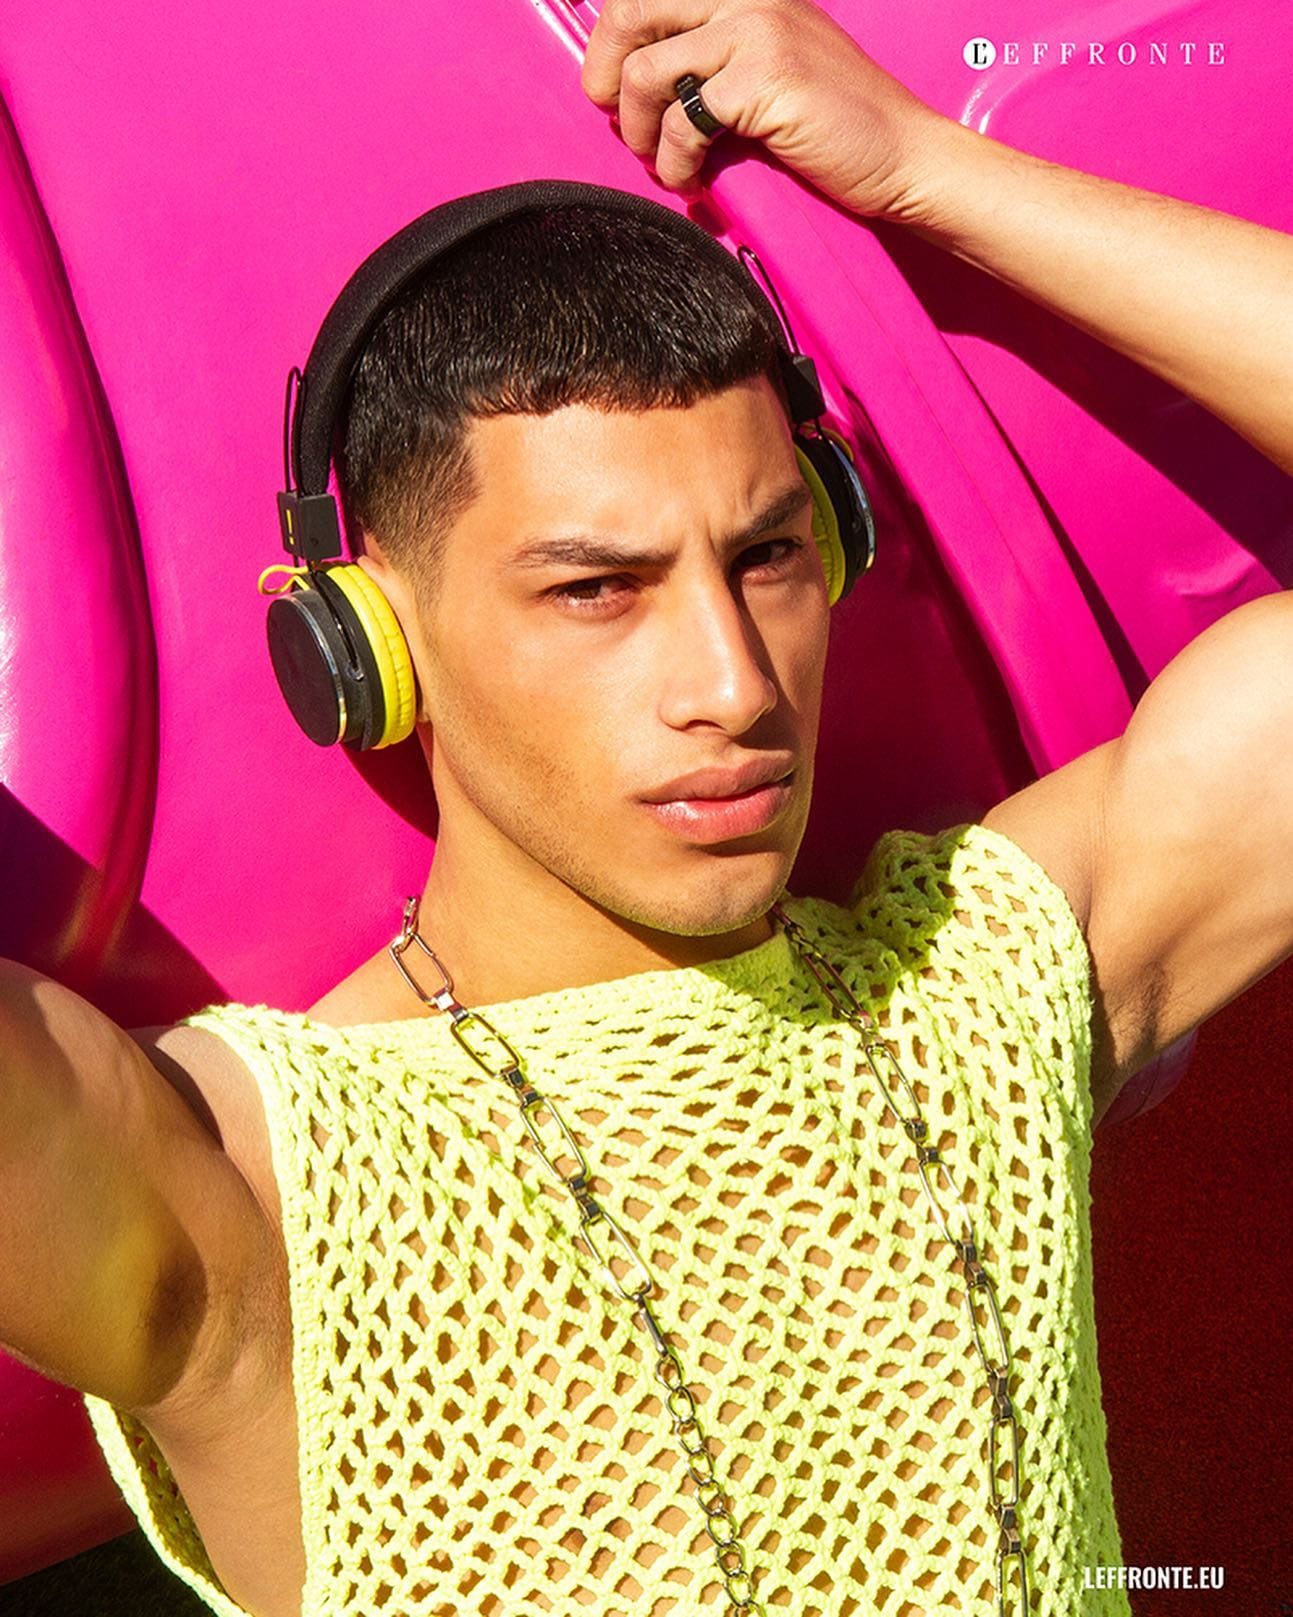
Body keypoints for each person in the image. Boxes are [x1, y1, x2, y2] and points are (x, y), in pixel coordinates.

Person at [1, 0, 1289, 1614]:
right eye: (595, 588)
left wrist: (922, 170)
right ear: (364, 642)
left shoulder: (984, 975)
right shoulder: (246, 1185)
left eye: (767, 555)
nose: (732, 684)